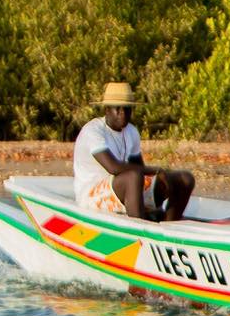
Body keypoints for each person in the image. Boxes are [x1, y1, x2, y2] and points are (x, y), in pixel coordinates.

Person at [73, 82, 195, 221]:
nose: (123, 113)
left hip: (119, 187)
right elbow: (113, 168)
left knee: (184, 179)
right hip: (91, 195)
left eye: (127, 109)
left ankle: (170, 224)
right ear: (107, 110)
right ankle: (139, 227)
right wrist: (156, 170)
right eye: (117, 109)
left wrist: (162, 178)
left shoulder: (131, 131)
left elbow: (140, 167)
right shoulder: (93, 131)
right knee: (133, 177)